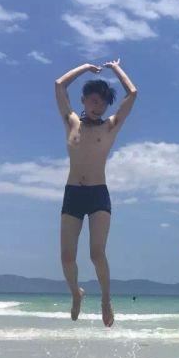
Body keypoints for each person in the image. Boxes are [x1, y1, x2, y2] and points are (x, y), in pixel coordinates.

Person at [55, 59, 137, 327]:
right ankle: (76, 293)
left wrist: (116, 69)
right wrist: (85, 67)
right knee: (67, 256)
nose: (96, 106)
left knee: (96, 253)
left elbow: (132, 93)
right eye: (92, 100)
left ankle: (105, 299)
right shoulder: (72, 122)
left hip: (98, 194)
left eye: (101, 103)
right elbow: (59, 85)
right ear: (84, 100)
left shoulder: (109, 126)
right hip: (73, 194)